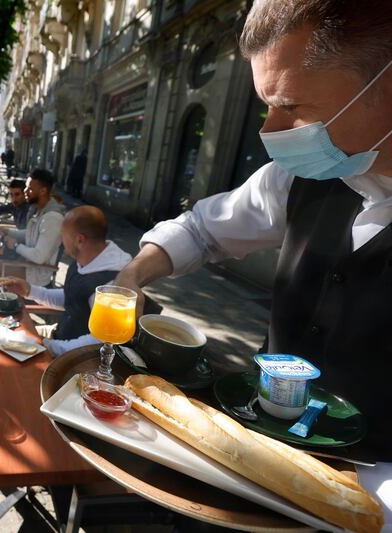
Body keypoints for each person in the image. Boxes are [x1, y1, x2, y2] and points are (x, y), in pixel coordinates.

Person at [114, 0, 392, 460]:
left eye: (290, 106)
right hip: (257, 449)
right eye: (264, 106)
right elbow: (202, 229)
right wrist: (131, 276)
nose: (270, 130)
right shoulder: (299, 179)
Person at [0, 206, 134, 356]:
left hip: (74, 358)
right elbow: (72, 297)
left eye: (63, 235)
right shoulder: (86, 260)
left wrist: (49, 346)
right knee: (3, 335)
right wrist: (30, 290)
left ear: (80, 240)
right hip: (59, 335)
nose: (61, 241)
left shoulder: (112, 284)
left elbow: (100, 340)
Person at [0, 168, 65, 287]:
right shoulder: (38, 209)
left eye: (29, 188)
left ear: (43, 191)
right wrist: (7, 231)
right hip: (26, 264)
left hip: (35, 273)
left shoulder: (52, 218)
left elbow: (38, 257)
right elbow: (30, 234)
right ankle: (0, 298)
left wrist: (15, 245)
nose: (25, 191)